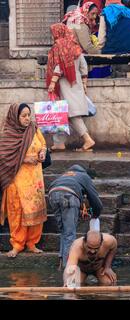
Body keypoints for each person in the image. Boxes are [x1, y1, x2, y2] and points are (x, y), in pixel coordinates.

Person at [0, 104, 47, 258]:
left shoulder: (33, 128)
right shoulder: (8, 133)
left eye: (29, 115)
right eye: (24, 116)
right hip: (17, 179)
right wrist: (25, 159)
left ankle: (32, 243)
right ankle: (17, 244)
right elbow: (4, 157)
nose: (27, 119)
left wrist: (42, 153)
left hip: (35, 180)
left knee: (34, 210)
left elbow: (43, 144)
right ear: (16, 117)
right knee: (17, 213)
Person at [46, 23, 96, 152]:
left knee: (72, 114)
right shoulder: (75, 46)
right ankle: (59, 143)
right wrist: (84, 83)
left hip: (64, 84)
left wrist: (52, 82)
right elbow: (83, 66)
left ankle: (87, 139)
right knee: (62, 114)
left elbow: (59, 66)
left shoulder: (59, 46)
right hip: (76, 83)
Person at [48, 165, 103, 268]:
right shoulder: (85, 176)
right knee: (69, 234)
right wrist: (96, 213)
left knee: (64, 231)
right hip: (68, 196)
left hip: (52, 195)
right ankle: (68, 267)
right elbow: (94, 198)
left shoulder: (66, 174)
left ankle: (62, 262)